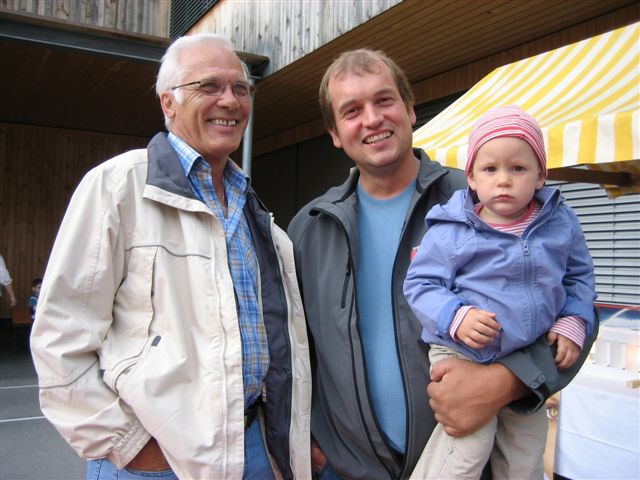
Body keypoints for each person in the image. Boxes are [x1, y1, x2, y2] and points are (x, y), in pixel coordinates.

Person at [287, 49, 597, 480]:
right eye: (352, 111)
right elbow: (296, 350)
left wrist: (507, 382)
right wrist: (307, 443)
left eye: (384, 100)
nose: (372, 119)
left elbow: (573, 309)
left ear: (410, 109)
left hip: (470, 465)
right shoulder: (309, 228)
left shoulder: (482, 199)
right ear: (335, 132)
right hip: (345, 469)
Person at [30, 33, 311, 480]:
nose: (230, 100)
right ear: (169, 102)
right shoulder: (119, 186)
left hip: (255, 447)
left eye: (240, 88)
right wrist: (129, 446)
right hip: (156, 462)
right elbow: (60, 336)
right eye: (209, 86)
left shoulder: (254, 211)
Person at [404, 105, 597, 479]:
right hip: (462, 349)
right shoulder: (453, 228)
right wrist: (456, 316)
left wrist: (575, 319)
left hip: (526, 354)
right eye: (490, 169)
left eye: (518, 168)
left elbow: (579, 276)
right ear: (472, 178)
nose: (504, 180)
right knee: (467, 449)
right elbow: (420, 284)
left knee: (526, 454)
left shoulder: (559, 222)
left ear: (540, 175)